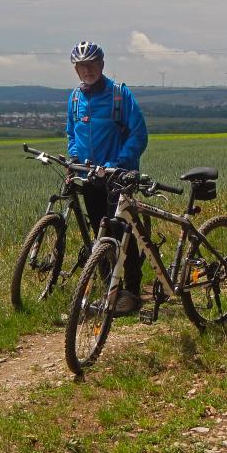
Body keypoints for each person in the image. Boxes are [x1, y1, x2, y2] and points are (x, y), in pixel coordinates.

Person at [65, 40, 149, 315]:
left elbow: (138, 135)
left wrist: (118, 163)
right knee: (99, 233)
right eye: (81, 66)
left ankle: (133, 293)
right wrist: (75, 159)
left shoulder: (119, 95)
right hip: (90, 177)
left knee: (124, 233)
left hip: (117, 176)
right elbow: (71, 133)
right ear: (77, 70)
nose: (86, 70)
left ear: (101, 65)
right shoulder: (75, 98)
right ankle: (109, 289)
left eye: (91, 64)